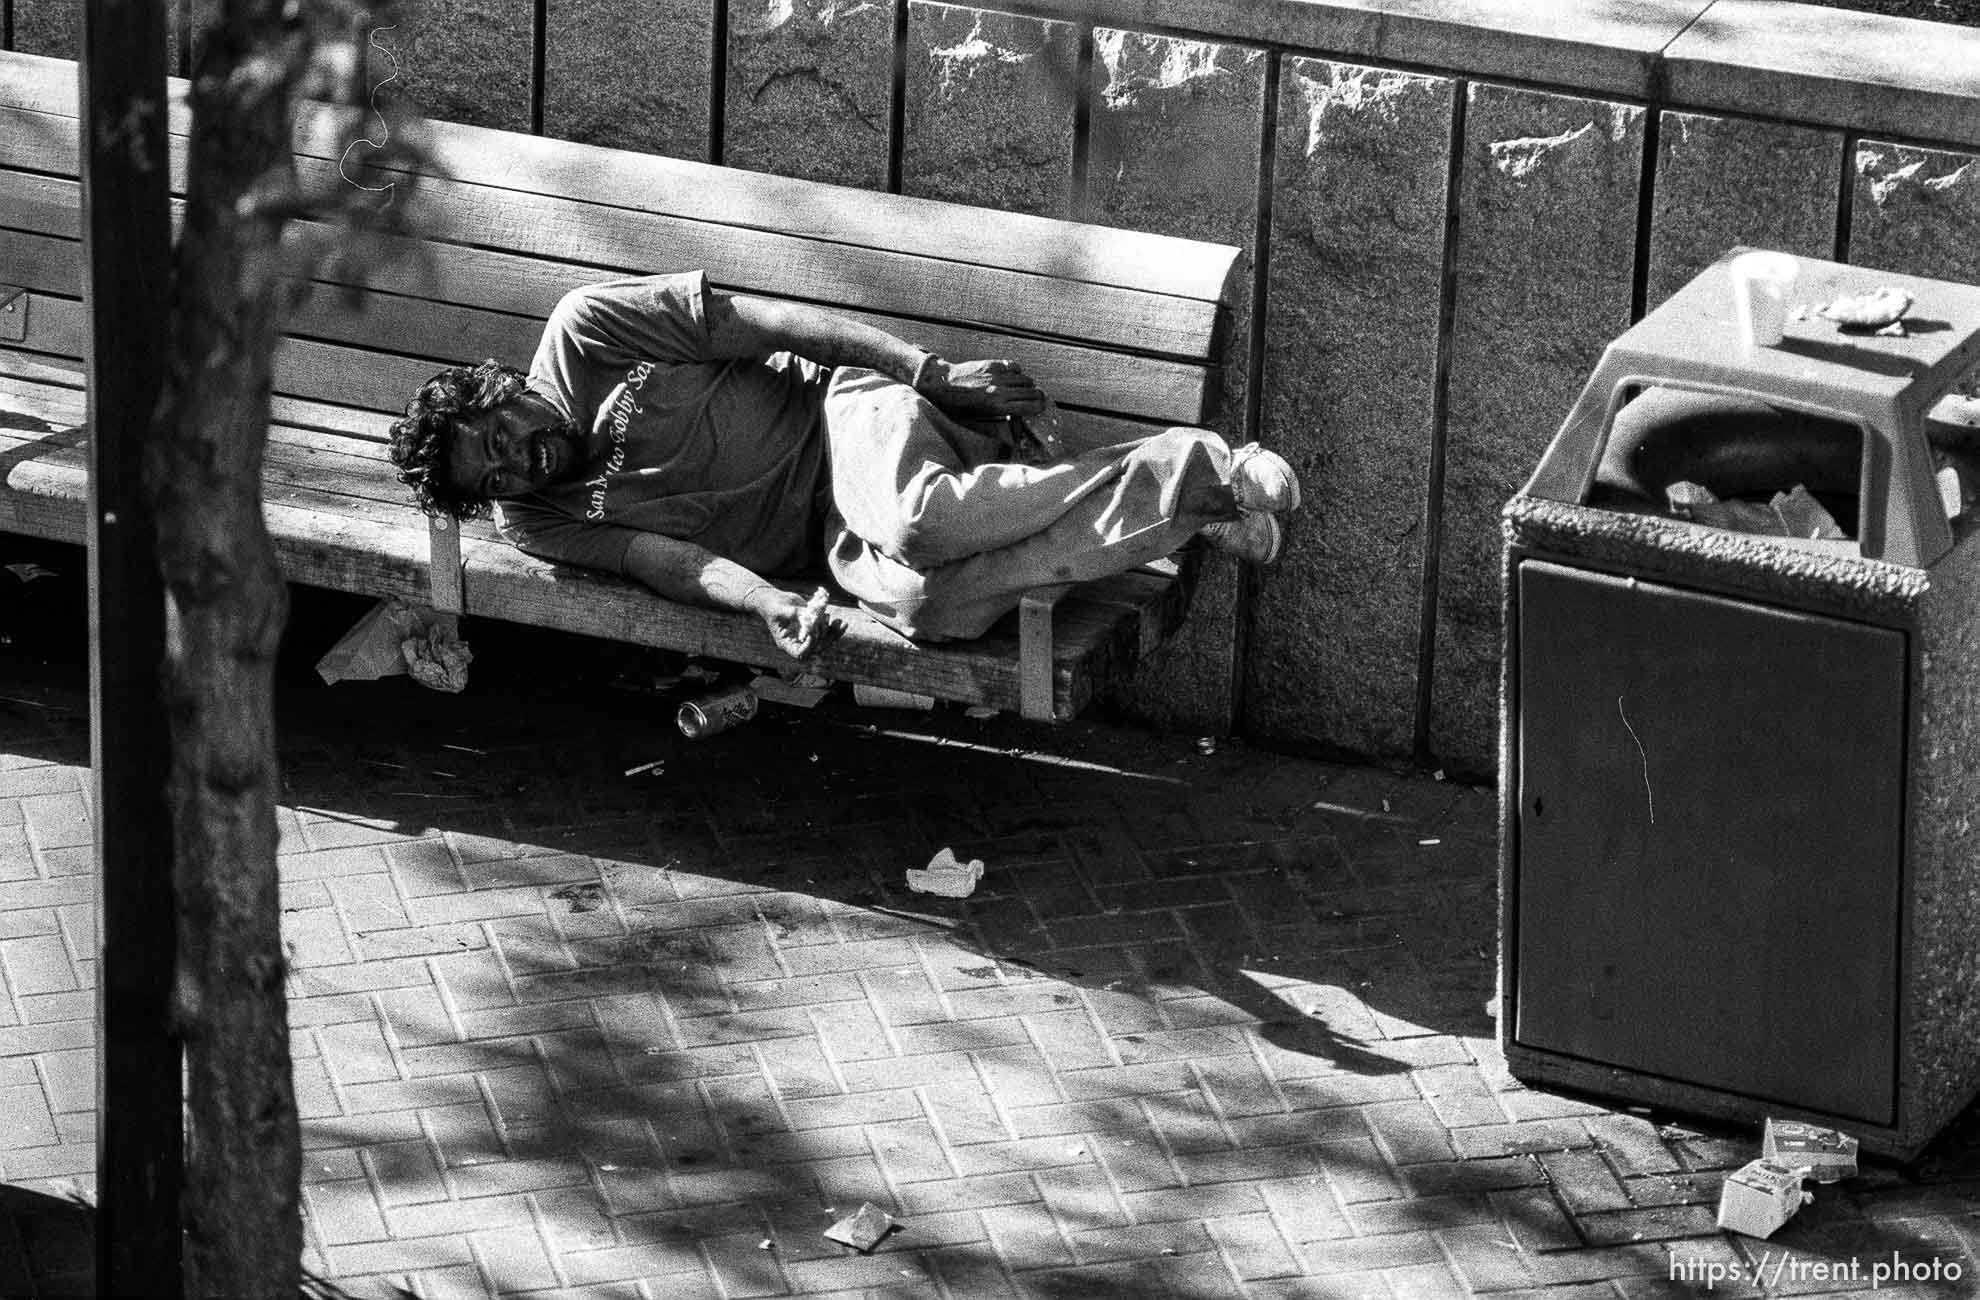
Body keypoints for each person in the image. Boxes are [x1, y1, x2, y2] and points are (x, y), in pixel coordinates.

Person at [387, 273, 1299, 659]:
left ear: (498, 387)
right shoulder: (534, 518)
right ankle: (1188, 501)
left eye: (499, 435)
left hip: (840, 413)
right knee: (928, 607)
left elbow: (772, 323)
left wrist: (926, 372)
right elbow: (662, 562)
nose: (518, 462)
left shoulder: (587, 328)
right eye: (495, 476)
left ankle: (1202, 463)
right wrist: (768, 603)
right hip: (824, 537)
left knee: (914, 518)